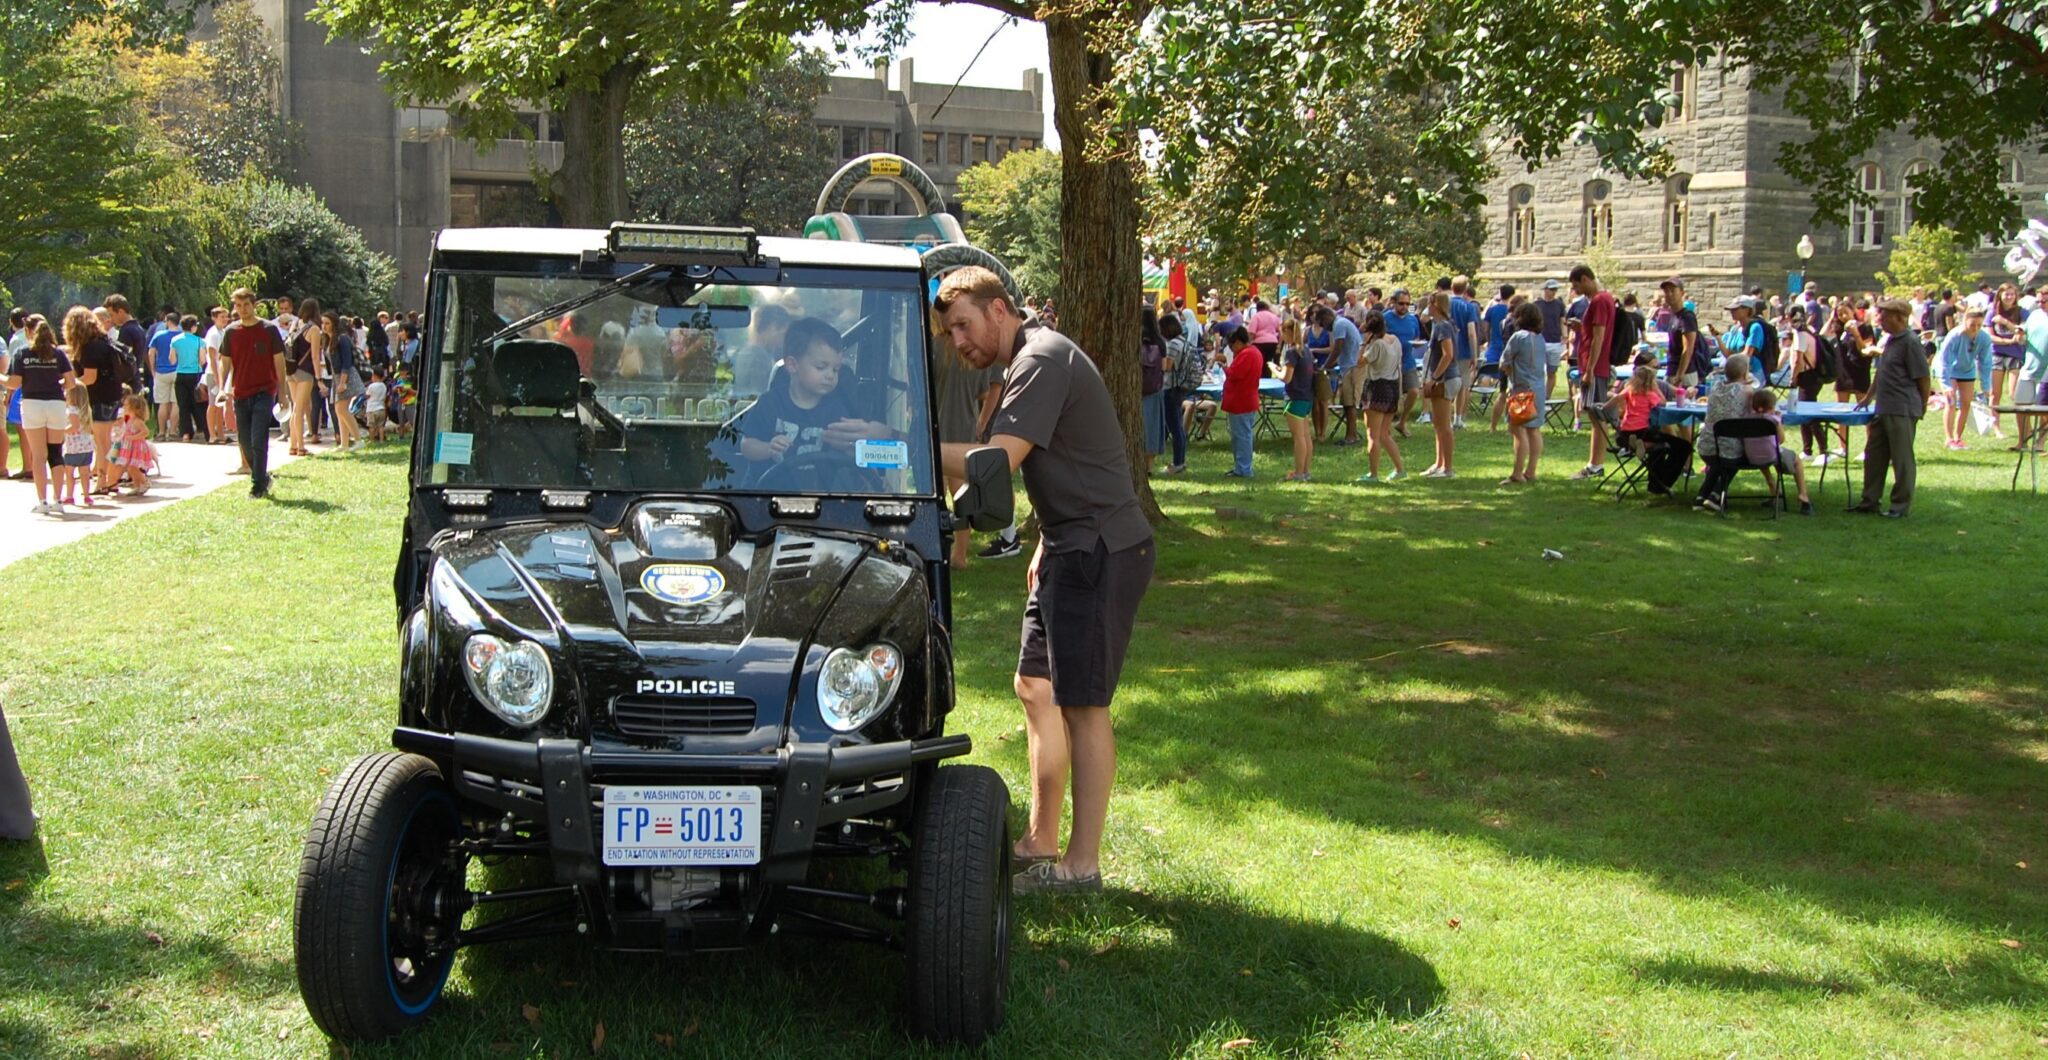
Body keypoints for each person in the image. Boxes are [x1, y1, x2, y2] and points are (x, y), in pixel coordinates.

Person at [934, 265, 1154, 894]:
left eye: (964, 326)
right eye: (950, 333)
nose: (959, 342)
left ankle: (1081, 867)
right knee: (1035, 687)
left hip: (1100, 549)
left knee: (1083, 707)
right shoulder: (1023, 364)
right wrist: (1044, 538)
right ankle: (1040, 839)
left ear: (999, 309)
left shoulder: (1041, 359)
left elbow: (995, 465)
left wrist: (904, 446)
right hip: (1066, 545)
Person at [735, 317, 892, 473]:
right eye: (821, 367)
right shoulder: (770, 404)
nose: (830, 375)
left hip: (820, 492)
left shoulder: (836, 410)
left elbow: (848, 452)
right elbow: (747, 445)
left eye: (836, 369)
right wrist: (767, 448)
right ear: (792, 365)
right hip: (768, 493)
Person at [932, 313, 1008, 566]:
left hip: (939, 426)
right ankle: (959, 556)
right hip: (966, 426)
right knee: (961, 496)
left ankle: (939, 552)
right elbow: (990, 389)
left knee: (937, 495)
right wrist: (982, 422)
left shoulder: (935, 346)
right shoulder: (974, 347)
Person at [1853, 299, 1931, 519]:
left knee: (1901, 458)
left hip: (1902, 408)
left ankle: (1899, 506)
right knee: (1874, 455)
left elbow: (1924, 378)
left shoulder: (1911, 342)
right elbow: (1882, 371)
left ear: (1899, 318)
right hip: (1883, 407)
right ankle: (1869, 501)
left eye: (1884, 316)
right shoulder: (1891, 341)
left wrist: (1922, 406)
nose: (1880, 319)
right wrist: (1869, 397)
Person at [220, 287, 290, 498]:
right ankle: (262, 476)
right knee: (245, 442)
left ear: (254, 305)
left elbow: (279, 363)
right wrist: (222, 389)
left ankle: (257, 484)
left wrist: (282, 392)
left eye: (246, 305)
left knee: (259, 438)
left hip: (264, 390)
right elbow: (225, 363)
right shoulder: (231, 332)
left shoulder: (269, 329)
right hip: (240, 392)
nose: (242, 309)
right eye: (238, 306)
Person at [4, 317, 76, 514]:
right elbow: (71, 382)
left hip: (32, 404)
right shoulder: (58, 354)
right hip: (55, 404)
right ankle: (58, 499)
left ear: (29, 332)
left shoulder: (22, 354)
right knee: (55, 452)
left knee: (38, 455)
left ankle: (42, 501)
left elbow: (14, 383)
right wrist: (56, 385)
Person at [66, 305, 126, 497]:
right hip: (113, 394)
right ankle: (111, 479)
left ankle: (102, 481)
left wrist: (68, 385)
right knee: (106, 439)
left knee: (101, 442)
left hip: (99, 397)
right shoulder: (103, 341)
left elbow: (90, 377)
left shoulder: (90, 347)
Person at [1602, 362, 1688, 495]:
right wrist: (1656, 389)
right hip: (1644, 431)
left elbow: (1616, 398)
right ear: (1651, 381)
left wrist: (1603, 409)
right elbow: (1663, 403)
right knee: (1682, 446)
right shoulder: (1649, 393)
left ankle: (1639, 447)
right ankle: (1661, 482)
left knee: (1659, 446)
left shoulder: (1630, 389)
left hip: (1624, 434)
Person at [1566, 265, 1616, 481]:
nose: (1576, 290)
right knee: (1594, 414)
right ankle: (1594, 463)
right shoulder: (1599, 301)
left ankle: (1595, 465)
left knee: (1597, 415)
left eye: (1577, 285)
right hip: (1591, 365)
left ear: (1585, 279)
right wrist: (1580, 328)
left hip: (1595, 367)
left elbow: (1599, 337)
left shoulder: (1599, 300)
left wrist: (1591, 369)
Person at [1694, 354, 1756, 510]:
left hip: (1705, 446)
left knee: (1720, 457)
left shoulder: (1715, 388)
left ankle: (1702, 496)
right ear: (1745, 372)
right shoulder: (1747, 391)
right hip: (1727, 449)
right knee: (1736, 453)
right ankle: (1716, 495)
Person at [1744, 388, 1815, 515]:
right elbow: (1781, 440)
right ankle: (1803, 494)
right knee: (1796, 460)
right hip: (1771, 455)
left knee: (1762, 455)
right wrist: (1779, 421)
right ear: (1771, 406)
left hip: (1751, 455)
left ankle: (1773, 488)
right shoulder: (1773, 420)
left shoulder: (1746, 418)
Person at [1355, 310, 1406, 483]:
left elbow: (1360, 362)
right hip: (1392, 386)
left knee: (1373, 435)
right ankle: (1400, 469)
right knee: (1385, 434)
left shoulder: (1376, 345)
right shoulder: (1395, 340)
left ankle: (1373, 474)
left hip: (1376, 387)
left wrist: (1363, 343)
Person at [1500, 302, 1548, 484]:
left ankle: (1517, 473)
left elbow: (1504, 362)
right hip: (1538, 388)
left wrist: (1510, 371)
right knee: (1534, 430)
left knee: (1518, 430)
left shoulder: (1518, 337)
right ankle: (1531, 471)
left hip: (1521, 389)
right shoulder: (1540, 339)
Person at [1420, 289, 1461, 478]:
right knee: (1438, 423)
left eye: (1430, 302)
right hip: (1442, 378)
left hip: (1446, 378)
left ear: (1436, 305)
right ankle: (1439, 463)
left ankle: (1449, 467)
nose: (1427, 306)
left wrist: (1435, 377)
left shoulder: (1443, 326)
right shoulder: (1441, 324)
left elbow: (1448, 354)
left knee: (1444, 425)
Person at [1938, 307, 1991, 451]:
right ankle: (1948, 438)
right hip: (1950, 371)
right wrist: (1946, 384)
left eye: (1979, 325)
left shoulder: (1984, 338)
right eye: (1972, 324)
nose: (1975, 328)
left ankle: (1957, 437)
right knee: (1951, 402)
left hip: (1967, 371)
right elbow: (1944, 360)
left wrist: (1986, 387)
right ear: (1965, 321)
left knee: (1966, 404)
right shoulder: (1954, 335)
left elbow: (1985, 363)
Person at [1218, 327, 1262, 478]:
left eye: (1231, 346)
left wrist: (1224, 367)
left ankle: (1243, 468)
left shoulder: (1247, 354)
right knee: (1241, 435)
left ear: (1238, 342)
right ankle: (1240, 466)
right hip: (1245, 399)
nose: (1232, 349)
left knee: (1242, 436)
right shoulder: (1254, 352)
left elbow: (1234, 373)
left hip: (1241, 401)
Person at [1159, 311, 1199, 474]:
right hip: (1179, 387)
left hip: (1171, 388)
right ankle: (1180, 461)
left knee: (1175, 427)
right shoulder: (1183, 341)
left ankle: (1178, 463)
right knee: (1177, 427)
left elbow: (1167, 366)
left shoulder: (1173, 344)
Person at [285, 297, 324, 456]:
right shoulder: (314, 329)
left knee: (295, 408)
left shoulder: (294, 325)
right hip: (305, 372)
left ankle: (293, 445)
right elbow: (315, 356)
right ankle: (301, 447)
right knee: (299, 410)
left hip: (290, 370)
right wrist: (319, 378)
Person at [1277, 318, 1315, 481]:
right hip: (1307, 396)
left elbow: (1286, 378)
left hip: (1295, 397)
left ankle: (1299, 472)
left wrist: (1275, 370)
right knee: (1305, 436)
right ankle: (1305, 470)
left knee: (1299, 437)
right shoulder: (1306, 350)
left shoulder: (1291, 352)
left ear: (1287, 332)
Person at [1384, 288, 1423, 438]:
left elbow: (1416, 337)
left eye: (1407, 304)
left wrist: (1417, 343)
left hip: (1408, 360)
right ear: (1393, 302)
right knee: (1394, 396)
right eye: (1401, 303)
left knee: (1414, 391)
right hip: (1391, 362)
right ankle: (1386, 427)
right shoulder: (1385, 318)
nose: (1404, 307)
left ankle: (1402, 422)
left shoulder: (1413, 319)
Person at [325, 311, 365, 451]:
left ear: (334, 324)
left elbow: (347, 362)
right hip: (337, 377)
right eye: (323, 323)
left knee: (341, 409)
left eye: (327, 323)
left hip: (346, 376)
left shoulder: (342, 339)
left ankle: (358, 440)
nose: (324, 326)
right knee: (339, 410)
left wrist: (343, 382)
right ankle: (344, 443)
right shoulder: (329, 339)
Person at [1137, 307, 1168, 476]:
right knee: (1153, 426)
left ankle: (1137, 461)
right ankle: (1149, 466)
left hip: (1137, 390)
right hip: (1155, 389)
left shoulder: (1135, 340)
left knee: (1139, 425)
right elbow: (1164, 368)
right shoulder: (1160, 342)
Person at [169, 315, 208, 442]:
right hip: (195, 374)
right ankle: (201, 430)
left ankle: (185, 433)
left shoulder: (175, 340)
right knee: (198, 403)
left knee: (183, 405)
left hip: (180, 374)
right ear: (193, 327)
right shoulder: (199, 341)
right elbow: (203, 360)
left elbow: (172, 359)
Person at [108, 392, 155, 495]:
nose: (124, 407)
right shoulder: (130, 420)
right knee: (130, 467)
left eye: (126, 405)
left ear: (134, 408)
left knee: (132, 467)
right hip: (129, 447)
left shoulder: (137, 421)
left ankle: (144, 481)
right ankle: (138, 485)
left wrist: (132, 437)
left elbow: (145, 432)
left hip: (136, 447)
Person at [58, 383, 96, 508]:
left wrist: (61, 430)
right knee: (85, 473)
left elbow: (73, 427)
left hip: (73, 447)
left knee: (69, 473)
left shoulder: (72, 410)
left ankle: (69, 496)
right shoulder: (86, 410)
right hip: (86, 446)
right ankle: (86, 496)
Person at [146, 314, 180, 440]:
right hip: (177, 371)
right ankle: (173, 431)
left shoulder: (158, 335)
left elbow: (151, 353)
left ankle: (161, 432)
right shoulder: (180, 336)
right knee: (176, 403)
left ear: (167, 321)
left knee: (162, 403)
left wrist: (153, 370)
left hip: (161, 371)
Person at [363, 368, 390, 443]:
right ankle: (381, 440)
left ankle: (372, 440)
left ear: (374, 376)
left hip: (372, 409)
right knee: (381, 426)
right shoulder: (384, 386)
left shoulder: (371, 386)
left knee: (371, 426)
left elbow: (367, 395)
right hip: (381, 409)